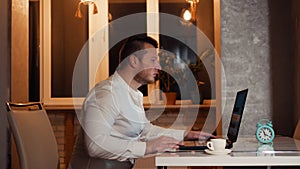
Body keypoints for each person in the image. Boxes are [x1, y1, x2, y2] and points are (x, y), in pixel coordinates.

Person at [69, 34, 215, 169]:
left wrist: (185, 135)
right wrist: (148, 148)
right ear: (133, 60)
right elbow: (95, 146)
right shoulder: (106, 94)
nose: (158, 66)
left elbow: (145, 130)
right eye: (153, 60)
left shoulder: (133, 94)